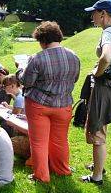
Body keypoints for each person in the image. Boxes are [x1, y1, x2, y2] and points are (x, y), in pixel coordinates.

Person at [18, 21, 80, 183]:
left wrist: (19, 69)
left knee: (39, 141)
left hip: (38, 105)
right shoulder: (74, 56)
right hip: (64, 104)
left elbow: (26, 81)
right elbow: (75, 78)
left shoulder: (37, 58)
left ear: (43, 40)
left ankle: (41, 176)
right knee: (60, 140)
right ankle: (61, 170)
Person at [82, 0, 111, 185]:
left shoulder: (109, 33)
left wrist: (98, 72)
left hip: (105, 86)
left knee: (97, 131)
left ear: (103, 14)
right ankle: (98, 165)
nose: (92, 16)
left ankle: (97, 176)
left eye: (94, 12)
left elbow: (106, 56)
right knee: (101, 127)